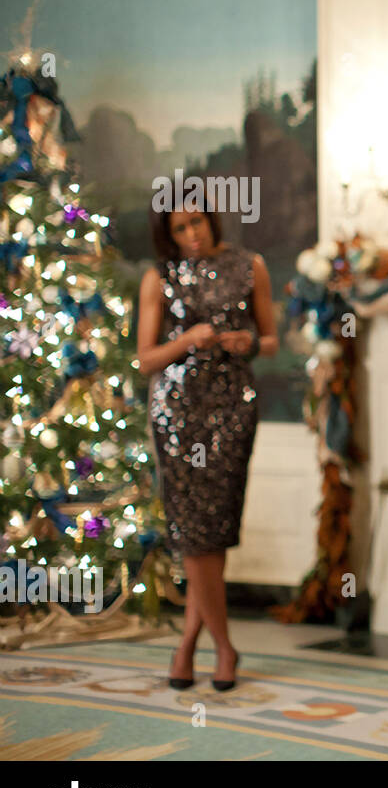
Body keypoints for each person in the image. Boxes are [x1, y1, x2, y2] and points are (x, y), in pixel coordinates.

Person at [137, 192, 278, 692]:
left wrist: (249, 344)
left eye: (197, 222)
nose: (192, 233)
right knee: (192, 534)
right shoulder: (159, 277)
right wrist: (186, 341)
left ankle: (189, 645)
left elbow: (272, 338)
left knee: (212, 530)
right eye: (179, 228)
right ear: (167, 235)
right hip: (176, 416)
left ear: (211, 219)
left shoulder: (250, 266)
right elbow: (146, 359)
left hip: (232, 411)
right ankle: (223, 647)